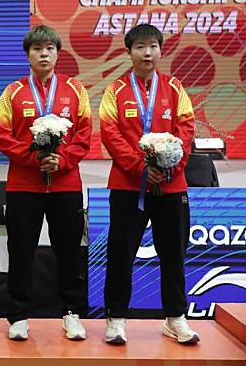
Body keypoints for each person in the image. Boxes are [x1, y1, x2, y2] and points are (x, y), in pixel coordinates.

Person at [99, 23, 198, 345]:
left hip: (172, 187)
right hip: (129, 187)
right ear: (129, 52)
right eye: (140, 46)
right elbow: (110, 135)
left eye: (153, 46)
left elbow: (186, 129)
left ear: (160, 50)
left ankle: (176, 319)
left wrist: (170, 166)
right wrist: (140, 167)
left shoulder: (174, 88)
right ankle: (116, 319)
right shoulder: (115, 90)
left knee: (174, 255)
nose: (147, 52)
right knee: (121, 254)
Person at [0, 25, 91, 341]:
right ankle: (19, 315)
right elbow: (2, 135)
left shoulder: (76, 91)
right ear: (28, 55)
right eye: (37, 49)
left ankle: (72, 313)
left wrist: (62, 161)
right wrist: (33, 158)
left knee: (68, 252)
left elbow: (85, 135)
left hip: (66, 186)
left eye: (49, 48)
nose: (44, 53)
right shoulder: (12, 93)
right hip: (24, 186)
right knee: (21, 251)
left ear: (58, 53)